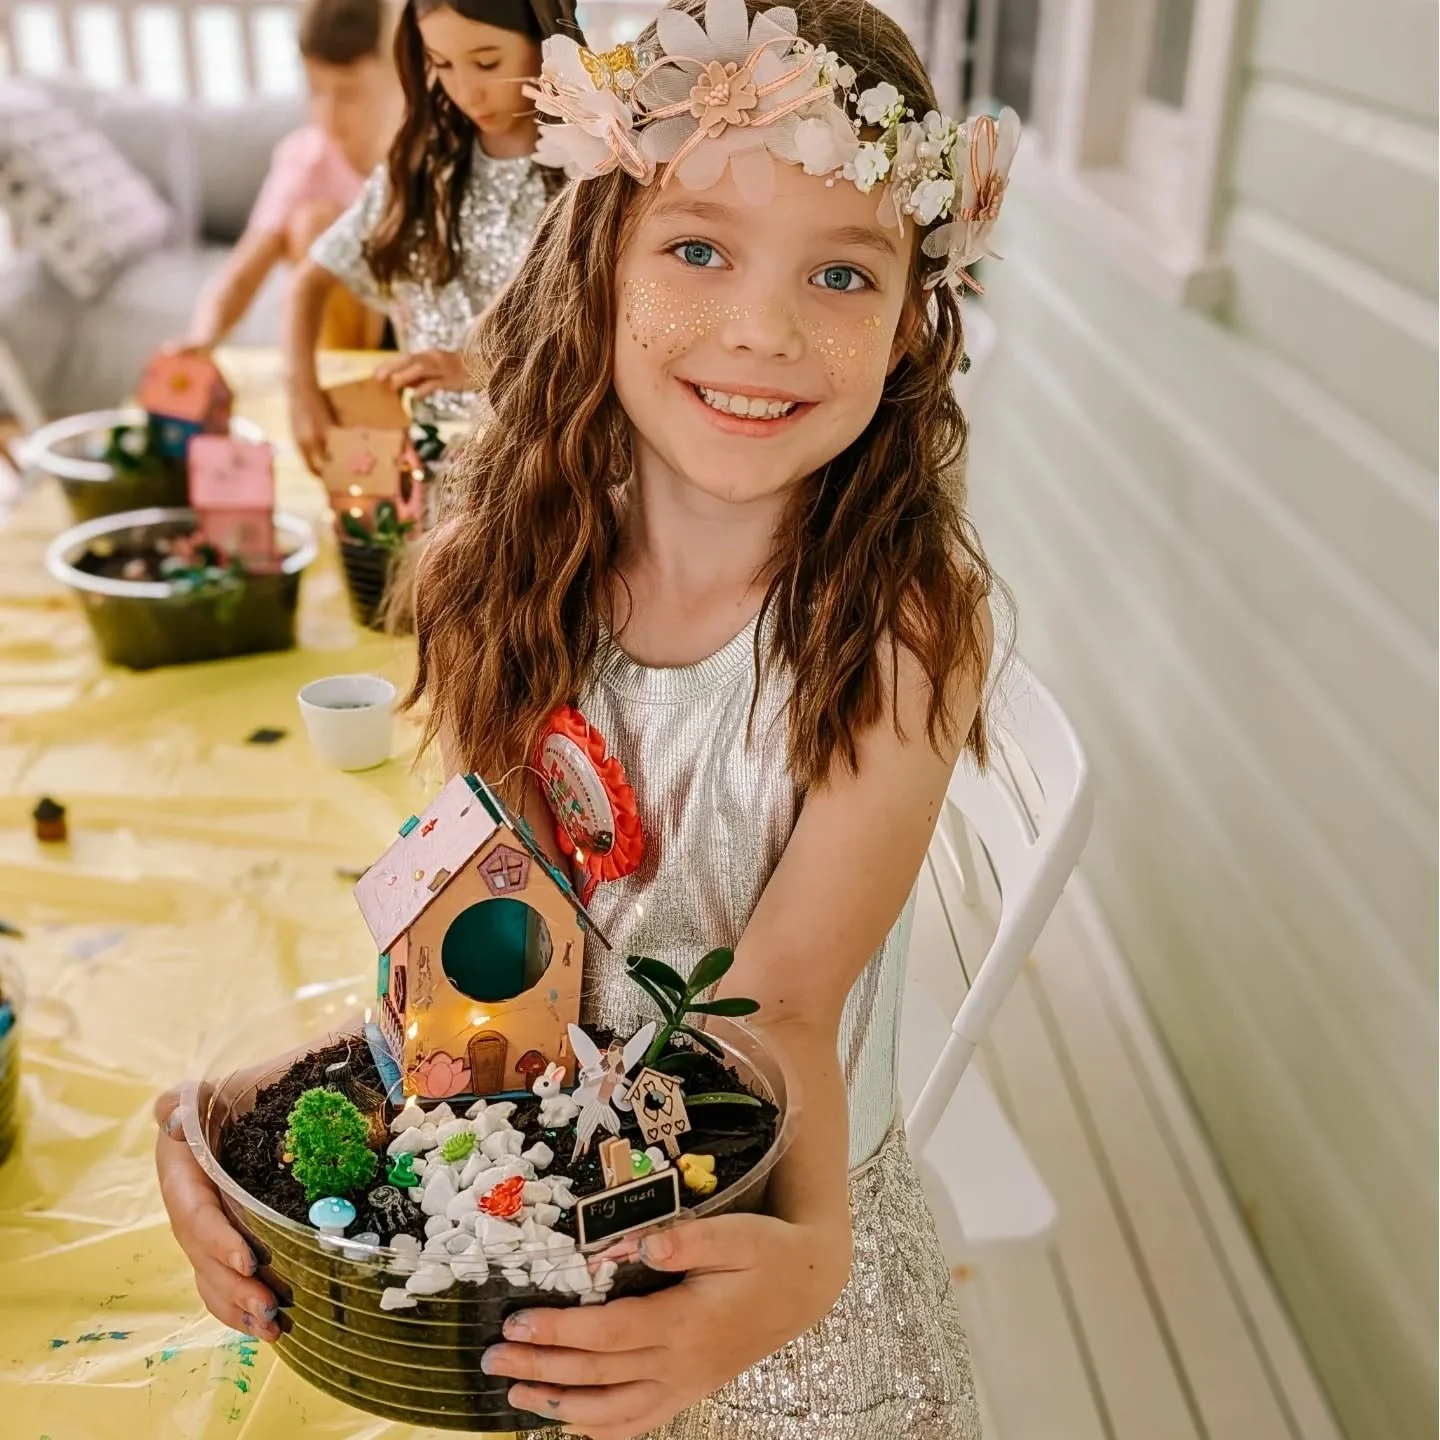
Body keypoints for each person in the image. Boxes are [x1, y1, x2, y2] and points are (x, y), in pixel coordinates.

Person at [155, 1, 1019, 1436]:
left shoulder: (894, 628)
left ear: (915, 315)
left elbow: (781, 1007)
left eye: (844, 275)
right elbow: (488, 912)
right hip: (530, 1190)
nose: (765, 329)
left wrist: (803, 1277)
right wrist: (221, 1108)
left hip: (753, 1233)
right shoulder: (511, 556)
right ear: (596, 256)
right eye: (696, 248)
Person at [286, 0, 582, 469]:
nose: (466, 92)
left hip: (545, 467)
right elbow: (310, 281)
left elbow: (598, 334)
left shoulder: (591, 172)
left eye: (487, 63)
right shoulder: (423, 171)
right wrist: (302, 394)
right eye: (441, 64)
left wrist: (479, 365)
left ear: (546, 38)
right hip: (424, 469)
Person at [181, 0, 400, 353]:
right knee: (312, 223)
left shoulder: (423, 149)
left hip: (417, 322)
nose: (328, 113)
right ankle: (343, 379)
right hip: (348, 342)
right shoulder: (307, 160)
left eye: (348, 94)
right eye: (315, 91)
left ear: (397, 76)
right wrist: (202, 339)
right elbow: (243, 272)